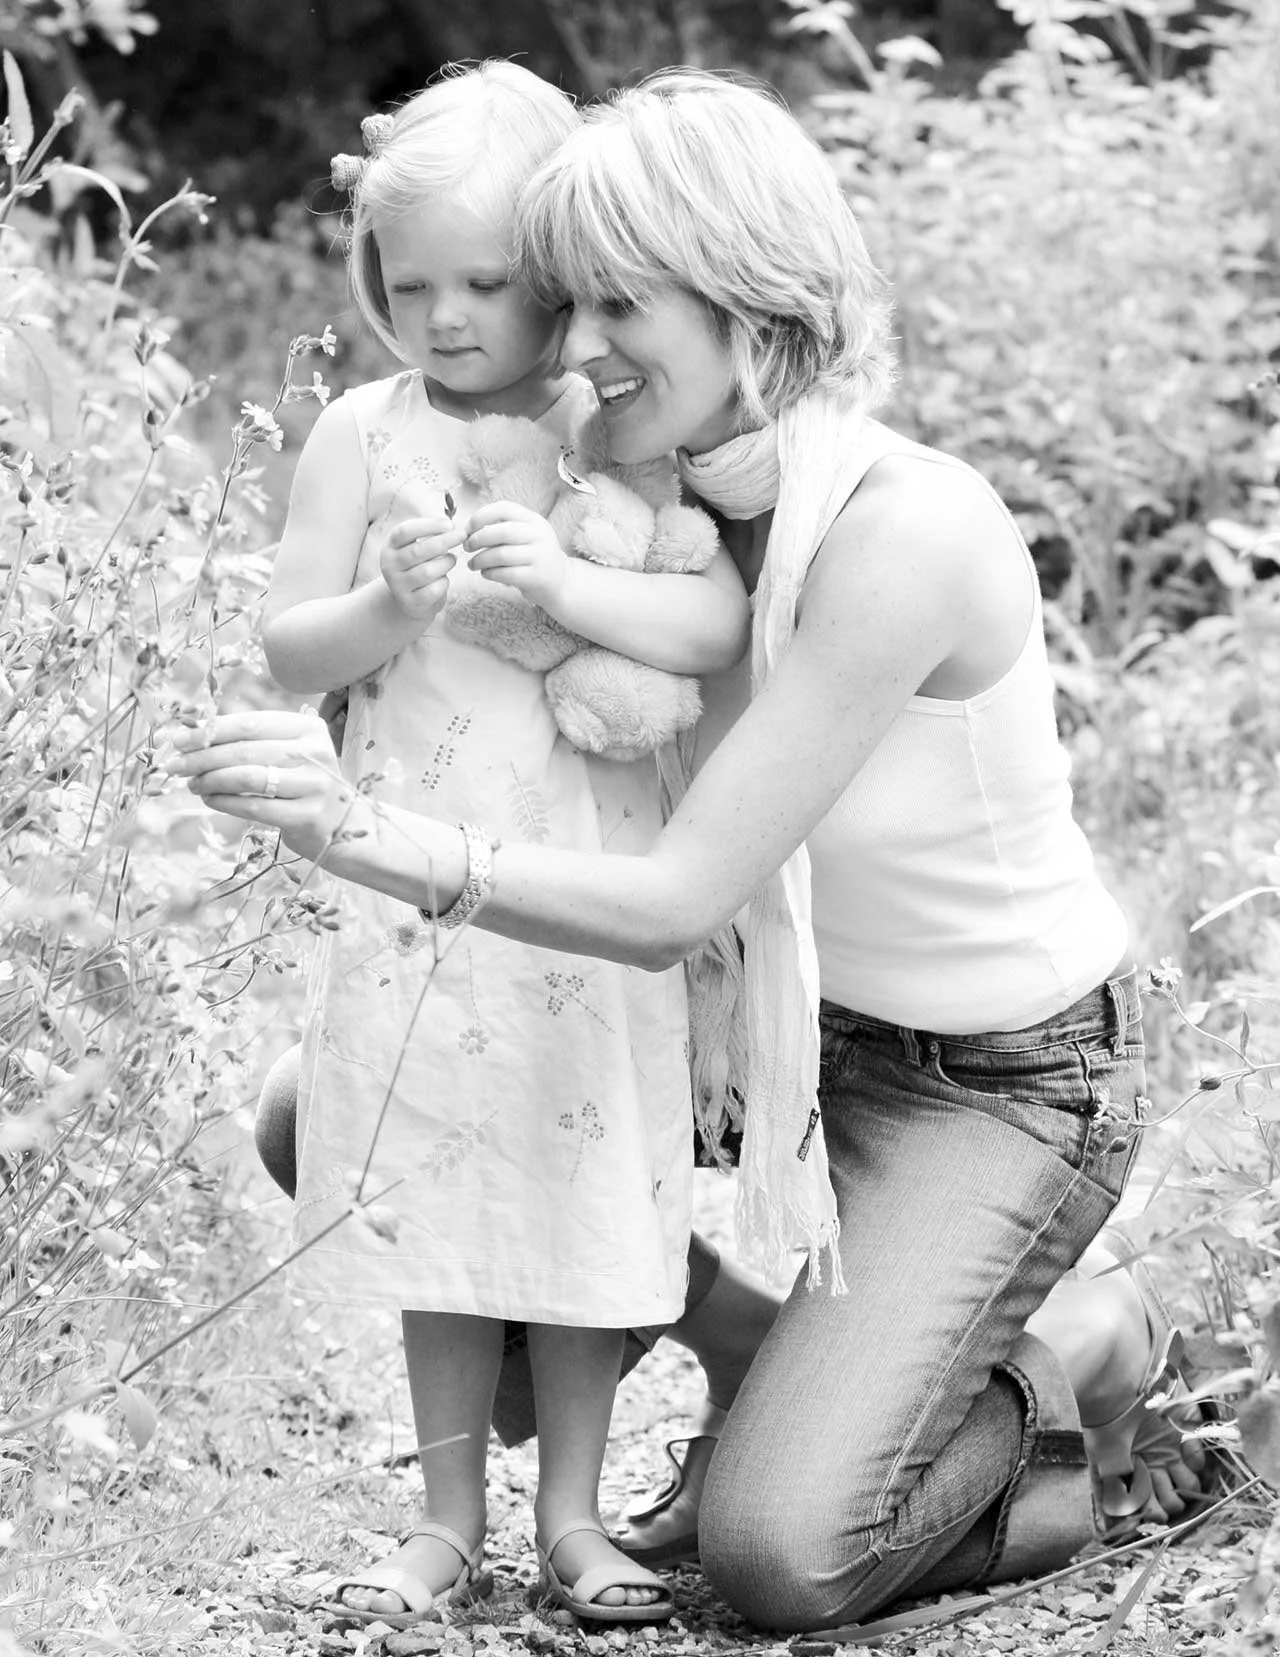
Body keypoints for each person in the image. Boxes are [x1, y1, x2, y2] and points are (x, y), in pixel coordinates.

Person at [168, 69, 1206, 1632]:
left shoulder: (901, 530)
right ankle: (761, 1350)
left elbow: (671, 901)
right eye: (565, 299)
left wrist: (364, 833)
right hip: (772, 1035)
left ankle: (1092, 1343)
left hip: (993, 1075)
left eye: (616, 305)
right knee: (326, 1114)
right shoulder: (630, 497)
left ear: (750, 301)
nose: (573, 344)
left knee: (776, 1552)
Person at [249, 62, 751, 1630]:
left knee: (583, 1179)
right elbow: (288, 648)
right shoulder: (365, 429)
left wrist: (571, 583)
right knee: (444, 1185)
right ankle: (445, 1515)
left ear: (558, 273)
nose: (446, 317)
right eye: (411, 286)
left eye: (483, 281)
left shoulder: (613, 420)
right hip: (422, 879)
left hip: (585, 883)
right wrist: (388, 604)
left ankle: (577, 1515)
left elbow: (714, 622)